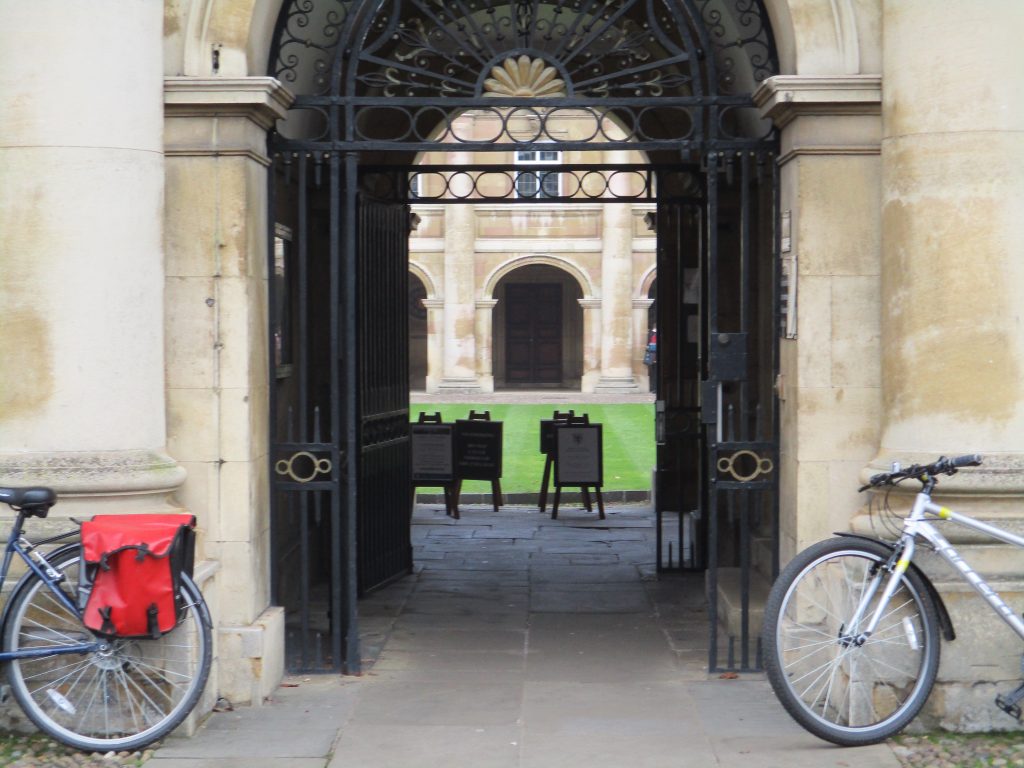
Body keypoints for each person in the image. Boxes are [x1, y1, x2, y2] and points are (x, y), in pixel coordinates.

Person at [643, 327, 657, 395]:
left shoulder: (652, 334)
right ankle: (654, 388)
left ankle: (654, 388)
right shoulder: (653, 334)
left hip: (653, 357)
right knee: (654, 373)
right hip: (653, 357)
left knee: (655, 373)